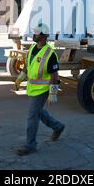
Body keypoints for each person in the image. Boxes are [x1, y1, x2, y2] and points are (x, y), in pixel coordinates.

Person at [14, 23, 65, 156]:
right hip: (32, 88)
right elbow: (27, 66)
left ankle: (31, 145)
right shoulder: (32, 48)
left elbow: (54, 75)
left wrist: (53, 93)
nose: (33, 34)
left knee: (32, 116)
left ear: (42, 36)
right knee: (38, 112)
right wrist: (20, 78)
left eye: (36, 33)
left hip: (43, 90)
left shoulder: (50, 53)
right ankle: (58, 127)